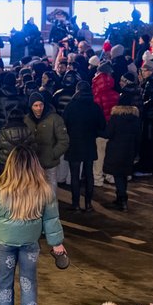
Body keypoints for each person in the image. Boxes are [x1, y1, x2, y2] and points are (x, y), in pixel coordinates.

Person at [0, 146, 66, 305]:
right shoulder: (44, 189)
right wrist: (57, 244)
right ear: (34, 165)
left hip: (4, 243)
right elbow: (51, 220)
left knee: (5, 283)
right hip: (30, 243)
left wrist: (3, 225)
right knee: (28, 284)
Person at [63, 81, 105, 211]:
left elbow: (64, 125)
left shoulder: (70, 106)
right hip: (89, 143)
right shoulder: (95, 107)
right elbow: (102, 126)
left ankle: (75, 204)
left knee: (75, 175)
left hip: (74, 144)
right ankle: (88, 204)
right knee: (89, 175)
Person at [23, 92, 70, 194]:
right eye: (35, 105)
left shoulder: (55, 119)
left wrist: (53, 154)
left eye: (41, 105)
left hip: (49, 162)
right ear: (31, 106)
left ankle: (51, 208)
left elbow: (64, 141)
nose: (39, 108)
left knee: (50, 189)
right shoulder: (26, 120)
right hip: (32, 163)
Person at [103, 94, 141, 210]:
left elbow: (108, 133)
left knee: (118, 175)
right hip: (130, 149)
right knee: (124, 174)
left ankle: (122, 199)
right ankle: (121, 197)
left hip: (116, 149)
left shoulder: (116, 117)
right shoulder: (135, 118)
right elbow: (139, 135)